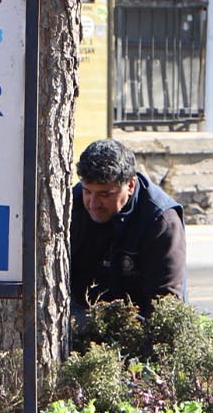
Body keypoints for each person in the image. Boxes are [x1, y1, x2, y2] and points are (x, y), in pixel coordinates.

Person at [69, 138, 187, 322]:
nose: (93, 204)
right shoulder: (72, 204)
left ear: (130, 185)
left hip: (139, 328)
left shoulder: (161, 222)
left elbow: (166, 305)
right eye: (87, 191)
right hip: (81, 320)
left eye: (104, 194)